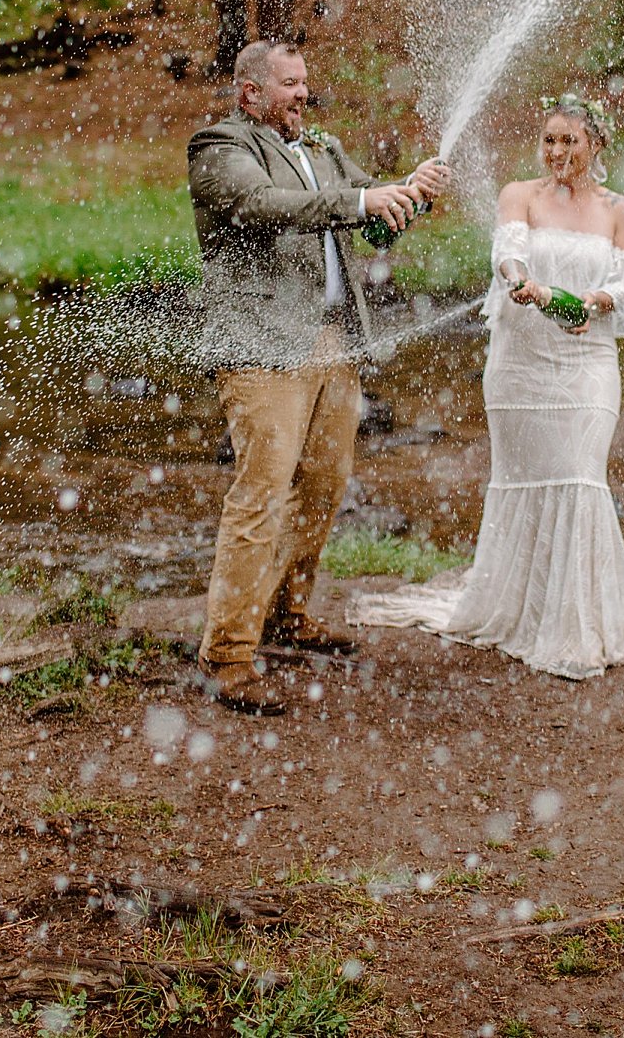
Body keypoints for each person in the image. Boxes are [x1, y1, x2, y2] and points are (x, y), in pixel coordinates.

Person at [351, 92, 624, 679]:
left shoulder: (623, 209)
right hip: (520, 365)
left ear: (596, 144)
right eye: (550, 139)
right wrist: (523, 282)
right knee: (522, 482)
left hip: (587, 364)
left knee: (580, 477)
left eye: (570, 140)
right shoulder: (518, 195)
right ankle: (526, 609)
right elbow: (508, 256)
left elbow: (620, 293)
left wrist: (574, 301)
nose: (558, 151)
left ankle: (576, 625)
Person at [188, 39, 449, 713]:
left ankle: (285, 617)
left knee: (325, 486)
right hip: (262, 348)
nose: (302, 93)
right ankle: (226, 656)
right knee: (261, 496)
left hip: (332, 344)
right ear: (250, 94)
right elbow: (267, 207)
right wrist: (364, 199)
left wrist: (410, 197)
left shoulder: (325, 149)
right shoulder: (220, 147)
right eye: (288, 84)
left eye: (304, 82)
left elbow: (374, 225)